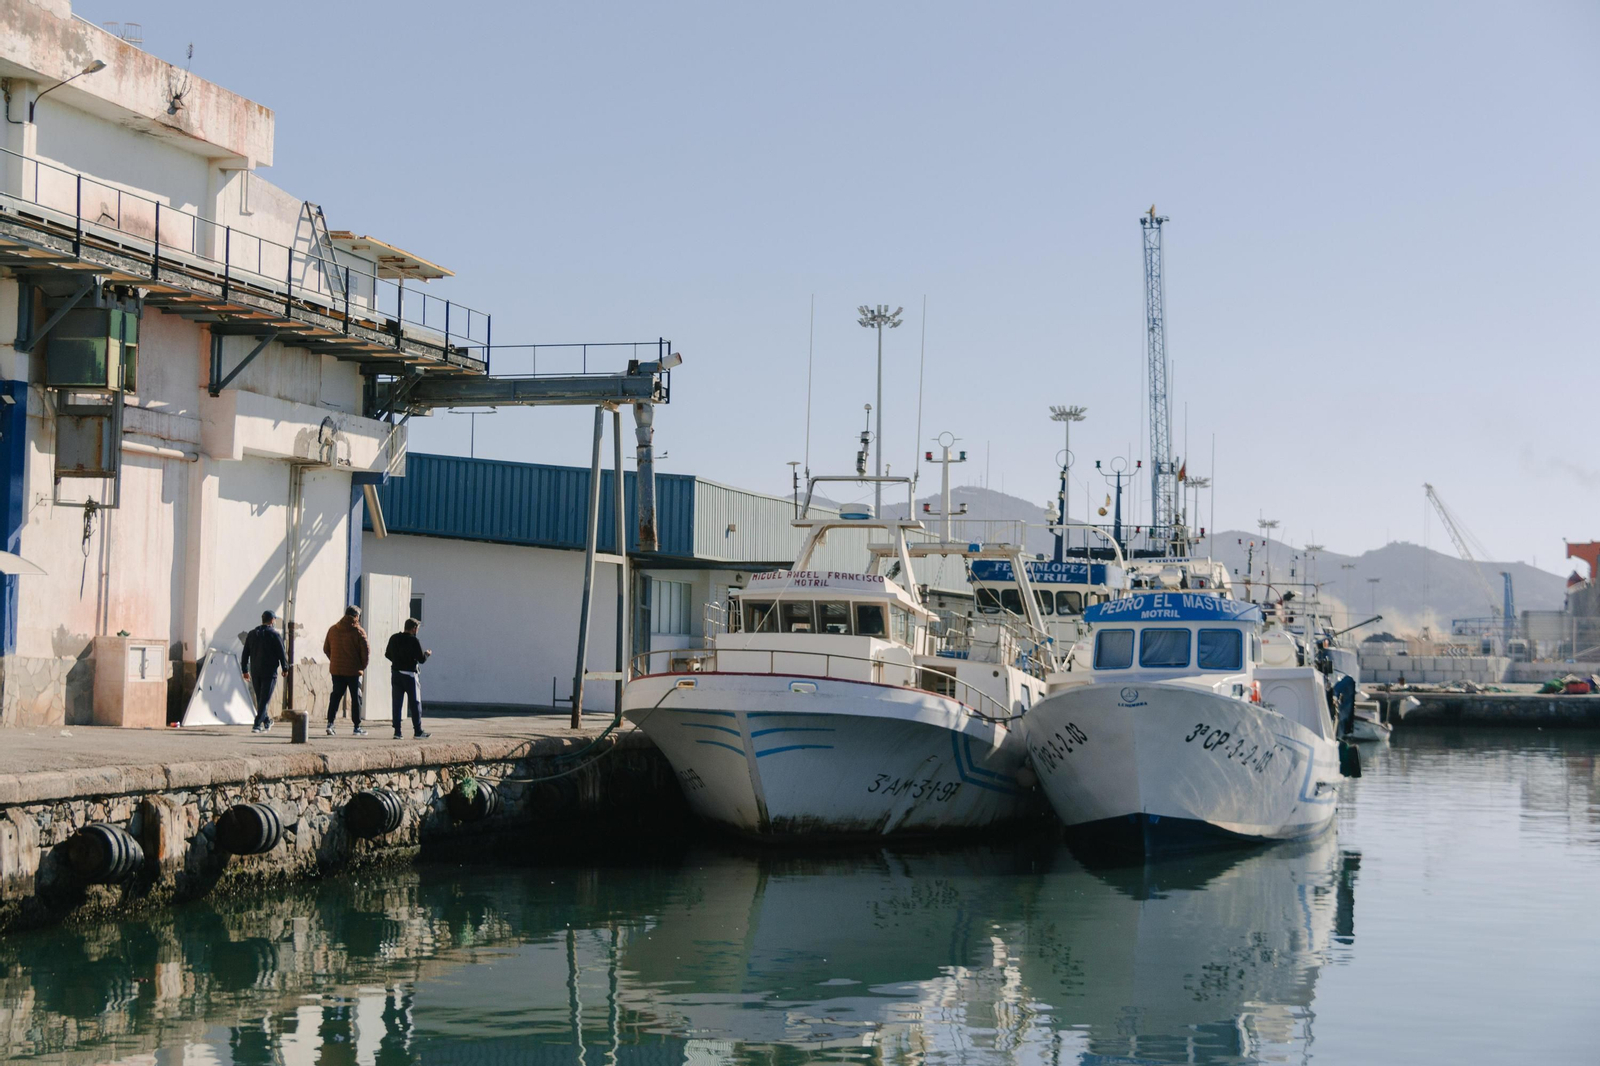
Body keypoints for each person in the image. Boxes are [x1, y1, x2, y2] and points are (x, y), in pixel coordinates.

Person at [323, 605, 370, 736]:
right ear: (356, 616)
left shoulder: (333, 629)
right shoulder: (358, 631)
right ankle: (357, 726)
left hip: (337, 670)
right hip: (354, 671)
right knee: (356, 698)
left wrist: (334, 660)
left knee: (335, 697)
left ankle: (330, 724)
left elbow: (326, 648)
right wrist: (362, 666)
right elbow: (366, 652)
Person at [240, 609, 288, 733]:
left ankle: (266, 721)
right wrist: (285, 668)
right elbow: (281, 653)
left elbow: (245, 654)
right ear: (272, 620)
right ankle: (257, 724)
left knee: (261, 699)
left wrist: (245, 669)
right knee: (264, 699)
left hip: (255, 671)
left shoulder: (252, 634)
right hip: (269, 672)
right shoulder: (275, 635)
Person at [384, 618, 432, 740]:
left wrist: (397, 662)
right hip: (410, 676)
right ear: (414, 628)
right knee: (415, 703)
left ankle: (397, 731)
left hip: (396, 674)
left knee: (397, 703)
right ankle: (418, 731)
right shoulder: (414, 640)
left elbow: (387, 654)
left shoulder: (394, 638)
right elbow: (421, 659)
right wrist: (427, 654)